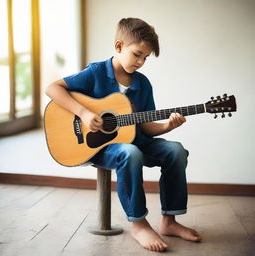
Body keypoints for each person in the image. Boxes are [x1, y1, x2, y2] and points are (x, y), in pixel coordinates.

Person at [46, 17, 202, 252]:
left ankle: (169, 221)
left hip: (136, 141)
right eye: (137, 54)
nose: (141, 62)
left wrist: (167, 127)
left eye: (145, 58)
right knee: (130, 152)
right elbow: (52, 88)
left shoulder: (143, 84)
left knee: (175, 150)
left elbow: (147, 126)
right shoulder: (96, 72)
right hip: (101, 147)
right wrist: (84, 113)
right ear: (119, 47)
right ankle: (138, 223)